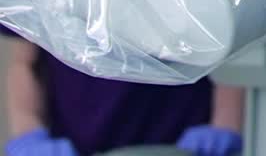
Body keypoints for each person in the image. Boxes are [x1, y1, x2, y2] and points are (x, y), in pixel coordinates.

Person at [3, 34, 244, 156]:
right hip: (77, 143)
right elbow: (25, 62)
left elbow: (236, 41)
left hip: (182, 141)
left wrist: (226, 122)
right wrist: (29, 133)